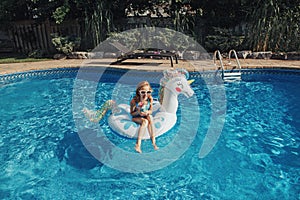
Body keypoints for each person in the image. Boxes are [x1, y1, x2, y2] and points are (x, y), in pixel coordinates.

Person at [130, 81, 159, 153]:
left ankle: (153, 142)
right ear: (139, 92)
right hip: (136, 117)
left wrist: (147, 112)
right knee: (145, 121)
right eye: (143, 92)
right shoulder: (134, 101)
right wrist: (138, 112)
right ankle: (138, 145)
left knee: (150, 118)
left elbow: (151, 110)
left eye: (148, 92)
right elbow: (132, 114)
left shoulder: (150, 99)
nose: (146, 94)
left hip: (145, 115)